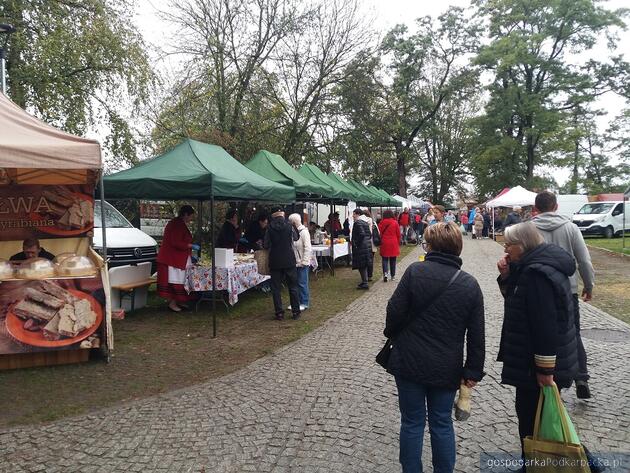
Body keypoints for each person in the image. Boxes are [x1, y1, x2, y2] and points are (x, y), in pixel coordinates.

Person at [385, 222, 485, 473]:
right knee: (441, 423)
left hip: (409, 360)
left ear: (431, 246)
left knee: (412, 422)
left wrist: (392, 333)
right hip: (446, 364)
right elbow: (477, 334)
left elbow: (394, 311)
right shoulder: (469, 284)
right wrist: (473, 370)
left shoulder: (415, 272)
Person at [496, 222, 578, 466]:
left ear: (523, 246)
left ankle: (537, 465)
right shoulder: (533, 266)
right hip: (533, 361)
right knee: (538, 420)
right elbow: (518, 301)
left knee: (533, 422)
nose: (505, 248)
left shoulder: (537, 274)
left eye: (508, 244)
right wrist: (506, 276)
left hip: (536, 367)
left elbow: (545, 325)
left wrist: (544, 370)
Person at [533, 191, 595, 399]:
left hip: (538, 289)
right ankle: (581, 376)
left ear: (536, 207)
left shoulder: (529, 228)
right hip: (568, 289)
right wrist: (589, 284)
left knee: (540, 331)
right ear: (556, 206)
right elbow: (584, 261)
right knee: (572, 333)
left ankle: (542, 375)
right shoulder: (570, 228)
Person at [156, 205, 197, 312]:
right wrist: (190, 246)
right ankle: (172, 303)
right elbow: (176, 242)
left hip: (177, 257)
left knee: (180, 279)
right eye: (191, 216)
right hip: (172, 258)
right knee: (176, 280)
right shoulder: (176, 224)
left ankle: (178, 301)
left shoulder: (179, 223)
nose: (191, 219)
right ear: (185, 214)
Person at [264, 207, 301, 320]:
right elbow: (296, 238)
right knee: (293, 287)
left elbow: (266, 244)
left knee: (276, 288)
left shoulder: (269, 227)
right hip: (289, 259)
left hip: (275, 260)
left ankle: (279, 313)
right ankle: (295, 312)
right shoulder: (290, 225)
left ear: (273, 215)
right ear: (282, 214)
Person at [289, 213, 312, 311]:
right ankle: (296, 302)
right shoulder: (293, 231)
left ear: (294, 222)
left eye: (290, 222)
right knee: (295, 283)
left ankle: (304, 302)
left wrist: (305, 261)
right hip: (295, 262)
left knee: (302, 283)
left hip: (302, 262)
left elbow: (307, 248)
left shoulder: (304, 232)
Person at [351, 208, 373, 289]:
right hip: (366, 245)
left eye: (353, 214)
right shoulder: (365, 222)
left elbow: (362, 234)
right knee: (363, 265)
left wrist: (357, 243)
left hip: (361, 246)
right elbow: (369, 234)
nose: (352, 216)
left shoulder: (358, 223)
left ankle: (365, 282)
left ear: (357, 214)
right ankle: (365, 281)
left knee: (361, 265)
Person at [378, 209, 401, 282]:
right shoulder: (395, 222)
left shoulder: (381, 222)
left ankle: (385, 274)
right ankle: (393, 276)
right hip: (393, 242)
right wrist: (399, 242)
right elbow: (398, 234)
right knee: (393, 260)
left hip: (384, 242)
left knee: (384, 259)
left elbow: (379, 233)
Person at [360, 209, 378, 281]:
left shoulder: (361, 222)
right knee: (371, 260)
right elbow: (378, 232)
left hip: (364, 244)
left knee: (364, 260)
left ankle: (365, 275)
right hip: (372, 244)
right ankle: (369, 275)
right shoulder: (373, 222)